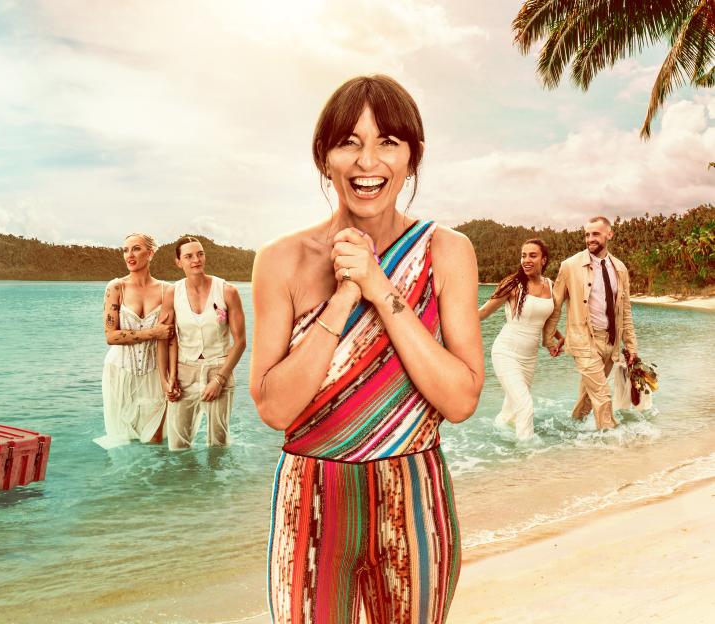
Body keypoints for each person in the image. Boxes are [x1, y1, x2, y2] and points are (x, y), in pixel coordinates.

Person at [249, 75, 483, 623]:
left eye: (388, 142)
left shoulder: (448, 251)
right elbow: (275, 409)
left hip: (415, 495)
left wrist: (380, 289)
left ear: (412, 158)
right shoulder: (280, 260)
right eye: (348, 142)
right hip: (312, 495)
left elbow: (460, 399)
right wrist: (343, 297)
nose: (366, 161)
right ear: (323, 157)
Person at [542, 217, 638, 430]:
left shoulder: (620, 268)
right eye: (587, 234)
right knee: (603, 394)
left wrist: (631, 345)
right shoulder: (569, 266)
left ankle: (573, 429)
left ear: (609, 234)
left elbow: (625, 310)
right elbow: (556, 305)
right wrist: (548, 338)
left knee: (589, 394)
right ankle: (613, 441)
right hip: (583, 340)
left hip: (610, 341)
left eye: (595, 234)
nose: (590, 239)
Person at [161, 236, 246, 450]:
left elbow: (241, 342)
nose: (196, 260)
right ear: (178, 262)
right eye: (188, 256)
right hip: (184, 371)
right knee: (178, 445)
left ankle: (216, 484)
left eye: (200, 254)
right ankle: (183, 484)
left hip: (219, 368)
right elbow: (166, 338)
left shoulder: (227, 291)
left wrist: (219, 379)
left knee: (218, 445)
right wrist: (167, 379)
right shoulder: (172, 293)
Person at [94, 233, 175, 449]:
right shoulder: (116, 287)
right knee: (124, 443)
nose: (129, 255)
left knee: (156, 442)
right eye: (125, 250)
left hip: (155, 373)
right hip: (120, 372)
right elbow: (111, 336)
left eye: (136, 249)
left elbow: (171, 337)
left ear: (150, 253)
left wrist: (172, 377)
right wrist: (152, 333)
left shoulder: (167, 290)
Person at [478, 239, 564, 441]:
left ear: (544, 260)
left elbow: (542, 320)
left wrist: (557, 337)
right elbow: (482, 313)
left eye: (532, 255)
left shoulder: (550, 286)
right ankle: (528, 459)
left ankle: (497, 442)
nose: (526, 260)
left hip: (529, 358)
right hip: (505, 352)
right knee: (525, 408)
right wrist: (448, 324)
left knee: (511, 411)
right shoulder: (513, 284)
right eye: (523, 255)